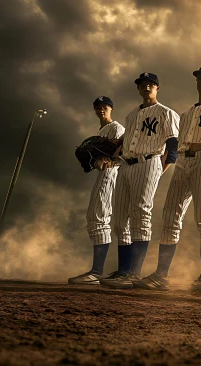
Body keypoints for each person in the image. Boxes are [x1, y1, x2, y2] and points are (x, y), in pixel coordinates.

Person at [135, 65, 201, 293]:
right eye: (200, 78)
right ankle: (161, 275)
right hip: (183, 162)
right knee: (170, 217)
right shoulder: (187, 114)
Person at [101, 73, 179, 289]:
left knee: (140, 214)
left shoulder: (166, 113)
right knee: (119, 220)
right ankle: (124, 270)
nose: (146, 87)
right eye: (142, 85)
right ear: (138, 89)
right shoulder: (131, 115)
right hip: (126, 164)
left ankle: (134, 273)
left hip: (149, 162)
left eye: (150, 85)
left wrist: (161, 168)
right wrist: (110, 156)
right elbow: (125, 142)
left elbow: (173, 145)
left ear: (157, 88)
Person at [68, 96, 126, 285]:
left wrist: (107, 158)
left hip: (112, 173)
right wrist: (95, 160)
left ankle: (97, 272)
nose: (101, 109)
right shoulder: (102, 129)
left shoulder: (116, 128)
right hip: (105, 174)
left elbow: (120, 152)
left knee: (98, 218)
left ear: (111, 109)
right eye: (98, 107)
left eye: (105, 106)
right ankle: (99, 271)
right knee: (97, 218)